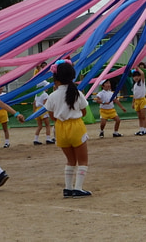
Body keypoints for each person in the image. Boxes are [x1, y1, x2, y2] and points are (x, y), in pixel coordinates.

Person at [43, 61, 92, 198]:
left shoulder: (52, 96)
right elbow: (84, 112)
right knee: (83, 160)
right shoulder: (77, 93)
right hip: (76, 126)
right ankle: (78, 188)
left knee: (70, 160)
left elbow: (52, 115)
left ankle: (68, 188)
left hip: (60, 128)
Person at [131, 67, 146, 136]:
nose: (136, 78)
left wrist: (137, 67)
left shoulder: (141, 82)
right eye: (134, 76)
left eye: (137, 76)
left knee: (143, 116)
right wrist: (133, 103)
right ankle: (141, 129)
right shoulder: (134, 85)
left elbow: (142, 73)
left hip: (142, 100)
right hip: (137, 101)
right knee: (139, 117)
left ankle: (144, 130)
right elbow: (134, 95)